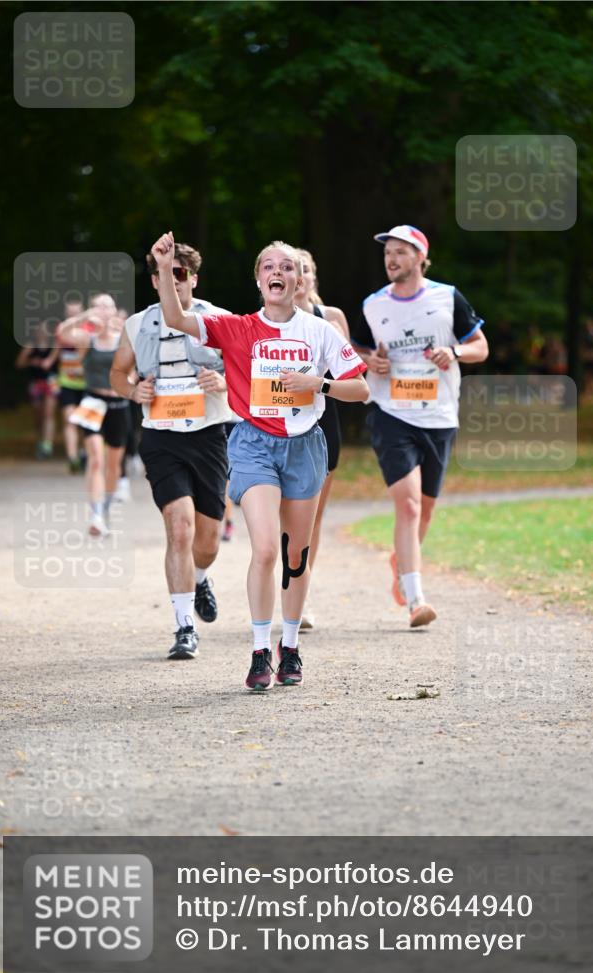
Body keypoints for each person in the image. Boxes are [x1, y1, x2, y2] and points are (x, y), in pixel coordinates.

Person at [150, 231, 369, 690]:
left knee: (296, 554)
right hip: (253, 444)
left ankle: (290, 646)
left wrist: (318, 384)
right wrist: (167, 270)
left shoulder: (319, 331)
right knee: (266, 548)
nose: (278, 272)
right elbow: (175, 317)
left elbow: (361, 389)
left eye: (287, 267)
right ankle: (259, 651)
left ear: (299, 281)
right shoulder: (237, 328)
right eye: (269, 266)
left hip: (305, 445)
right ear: (258, 279)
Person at [352, 224, 488, 627]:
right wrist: (369, 362)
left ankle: (402, 563)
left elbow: (481, 347)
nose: (391, 259)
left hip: (440, 415)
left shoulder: (447, 297)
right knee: (408, 504)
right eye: (387, 253)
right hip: (391, 413)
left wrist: (454, 351)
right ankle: (416, 600)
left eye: (400, 252)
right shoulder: (374, 305)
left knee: (425, 510)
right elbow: (356, 349)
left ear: (420, 257)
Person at [110, 243, 232, 661]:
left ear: (194, 278)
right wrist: (133, 391)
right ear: (154, 280)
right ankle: (184, 628)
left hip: (209, 434)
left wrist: (224, 383)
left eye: (181, 273)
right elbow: (118, 373)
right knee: (179, 529)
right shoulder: (138, 324)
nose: (174, 280)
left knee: (208, 541)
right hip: (161, 436)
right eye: (166, 273)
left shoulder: (218, 319)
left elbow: (246, 371)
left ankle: (200, 577)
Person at [294, 248, 351, 630]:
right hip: (277, 424)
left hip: (322, 423)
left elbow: (350, 375)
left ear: (313, 277)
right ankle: (286, 585)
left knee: (311, 518)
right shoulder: (264, 321)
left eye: (304, 270)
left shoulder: (330, 318)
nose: (298, 276)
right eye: (290, 269)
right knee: (284, 518)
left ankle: (301, 596)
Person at [57, 294, 129, 537]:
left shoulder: (124, 338)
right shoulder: (87, 338)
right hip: (93, 402)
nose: (103, 310)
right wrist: (84, 317)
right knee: (96, 458)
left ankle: (104, 511)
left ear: (114, 310)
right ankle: (95, 515)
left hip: (118, 405)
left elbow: (137, 367)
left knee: (113, 465)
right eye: (98, 306)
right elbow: (62, 332)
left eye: (108, 306)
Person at [15, 324, 60, 459]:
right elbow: (19, 363)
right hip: (36, 383)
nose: (42, 332)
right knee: (38, 414)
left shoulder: (54, 346)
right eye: (39, 330)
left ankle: (47, 444)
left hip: (51, 382)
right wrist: (31, 361)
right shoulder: (31, 346)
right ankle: (40, 439)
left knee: (49, 413)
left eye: (45, 330)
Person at [56, 295, 88, 473]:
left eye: (77, 313)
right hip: (67, 382)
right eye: (70, 313)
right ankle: (72, 458)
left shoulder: (91, 330)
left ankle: (84, 453)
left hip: (87, 384)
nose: (74, 316)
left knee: (85, 423)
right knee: (70, 420)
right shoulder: (62, 330)